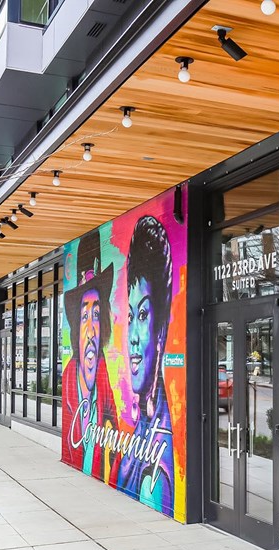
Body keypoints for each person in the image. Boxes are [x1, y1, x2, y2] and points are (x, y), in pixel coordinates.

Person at [110, 216, 175, 515]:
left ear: (160, 329)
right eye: (131, 315)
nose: (133, 338)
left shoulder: (159, 460)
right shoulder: (142, 426)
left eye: (145, 315)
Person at [62, 232, 120, 481]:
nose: (90, 330)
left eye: (96, 315)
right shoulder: (68, 382)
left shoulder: (105, 380)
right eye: (84, 316)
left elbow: (116, 453)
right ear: (75, 326)